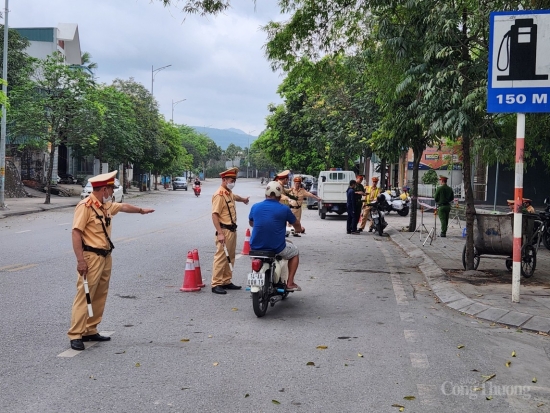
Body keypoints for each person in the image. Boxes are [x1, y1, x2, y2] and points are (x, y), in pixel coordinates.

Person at [68, 170, 155, 351]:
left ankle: (90, 329)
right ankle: (76, 334)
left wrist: (141, 211)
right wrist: (80, 260)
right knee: (85, 294)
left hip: (106, 256)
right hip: (91, 257)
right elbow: (76, 233)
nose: (112, 193)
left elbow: (123, 207)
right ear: (104, 190)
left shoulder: (104, 206)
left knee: (100, 293)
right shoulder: (85, 206)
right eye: (110, 190)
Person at [249, 181, 304, 291]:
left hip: (255, 247)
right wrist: (299, 230)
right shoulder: (284, 209)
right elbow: (296, 224)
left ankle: (255, 283)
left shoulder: (255, 207)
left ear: (266, 194)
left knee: (257, 259)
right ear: (280, 197)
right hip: (276, 247)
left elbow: (251, 223)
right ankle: (290, 282)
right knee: (295, 252)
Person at [211, 167, 250, 295]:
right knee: (221, 257)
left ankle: (226, 280)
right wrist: (220, 233)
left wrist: (243, 199)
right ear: (224, 180)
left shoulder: (228, 192)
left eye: (234, 180)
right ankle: (216, 283)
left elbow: (235, 197)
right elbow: (215, 215)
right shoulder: (219, 195)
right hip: (224, 230)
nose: (233, 182)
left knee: (230, 257)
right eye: (231, 180)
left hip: (232, 230)